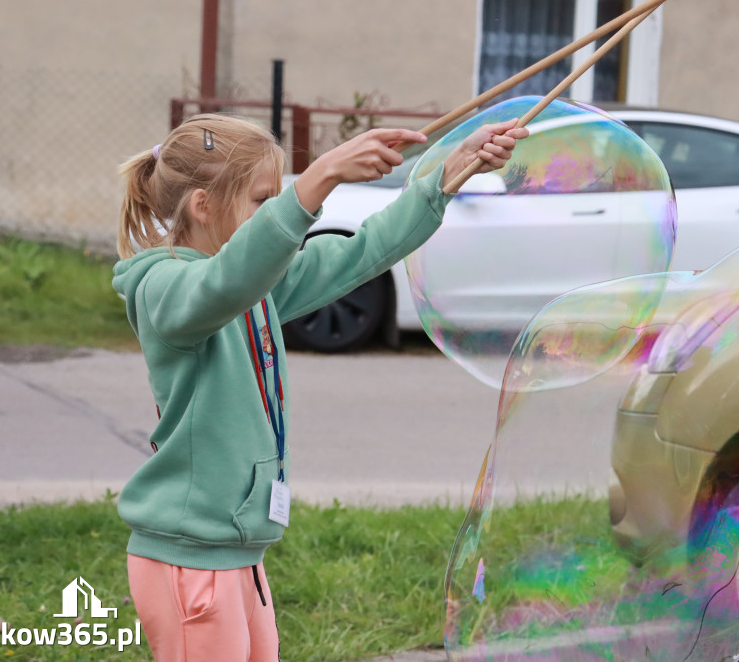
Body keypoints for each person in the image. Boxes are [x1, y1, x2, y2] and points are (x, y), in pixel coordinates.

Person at [113, 112, 527, 662]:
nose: (275, 212)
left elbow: (358, 253)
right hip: (191, 558)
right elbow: (224, 281)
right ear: (203, 206)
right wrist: (322, 175)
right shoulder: (164, 288)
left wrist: (448, 175)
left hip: (237, 551)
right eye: (263, 200)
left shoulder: (253, 290)